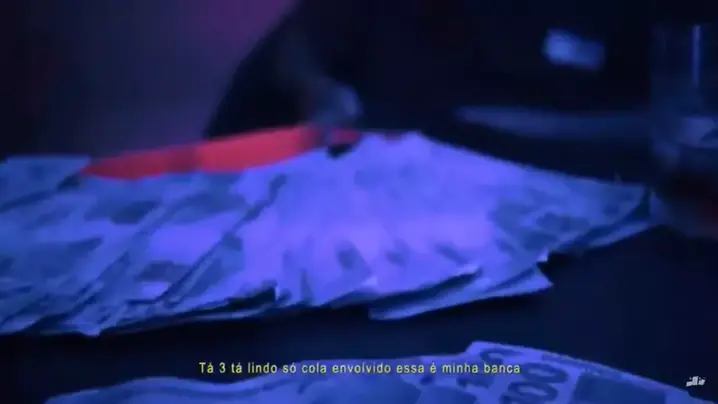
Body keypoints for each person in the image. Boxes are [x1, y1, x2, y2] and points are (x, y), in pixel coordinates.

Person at [205, 0, 654, 147]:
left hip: (569, 203)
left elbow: (672, 120)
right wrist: (319, 94)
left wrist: (494, 131)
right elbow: (298, 46)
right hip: (373, 201)